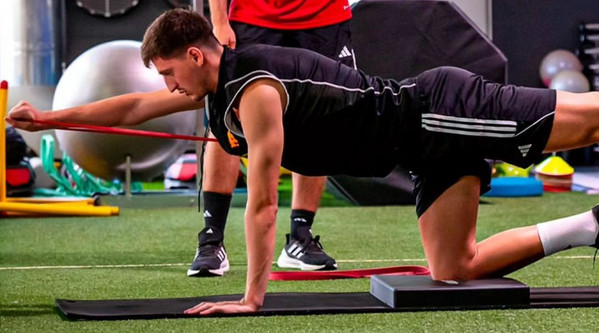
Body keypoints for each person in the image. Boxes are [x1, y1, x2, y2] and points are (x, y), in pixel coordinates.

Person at [7, 9, 599, 316]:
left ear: (194, 54)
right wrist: (48, 120)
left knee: (587, 119)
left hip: (437, 112)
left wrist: (252, 297)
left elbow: (263, 204)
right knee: (457, 266)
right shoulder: (213, 90)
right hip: (424, 152)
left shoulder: (256, 91)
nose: (166, 87)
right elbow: (135, 105)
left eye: (168, 73)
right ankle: (591, 226)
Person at [188, 0, 355, 277]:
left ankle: (301, 234)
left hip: (325, 18)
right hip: (253, 18)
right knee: (228, 119)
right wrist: (218, 20)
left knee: (320, 120)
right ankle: (211, 237)